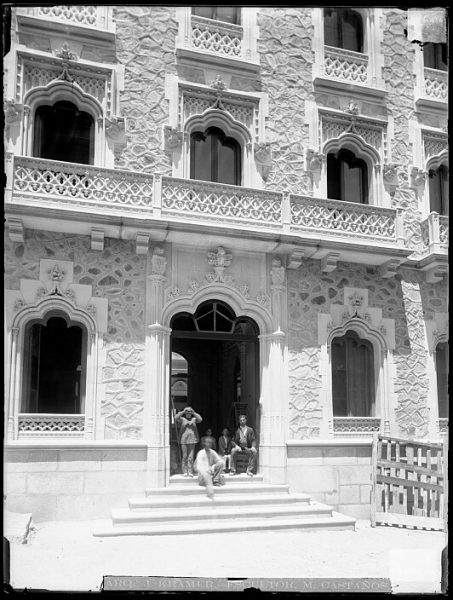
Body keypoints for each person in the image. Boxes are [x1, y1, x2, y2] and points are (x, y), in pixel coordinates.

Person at [174, 406, 202, 477]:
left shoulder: (194, 419)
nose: (188, 414)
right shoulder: (182, 419)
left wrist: (193, 412)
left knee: (190, 457)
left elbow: (200, 419)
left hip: (192, 439)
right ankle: (185, 471)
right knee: (185, 456)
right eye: (187, 413)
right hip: (184, 439)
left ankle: (190, 471)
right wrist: (183, 411)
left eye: (189, 413)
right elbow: (176, 418)